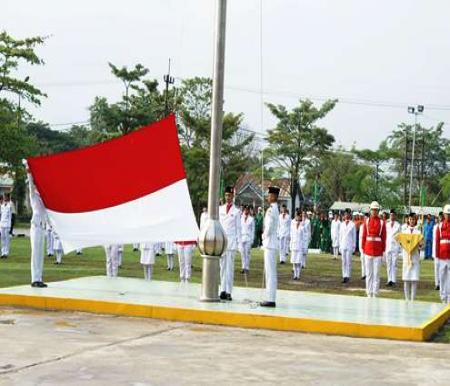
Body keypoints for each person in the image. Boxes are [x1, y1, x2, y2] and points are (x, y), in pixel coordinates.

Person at [218, 186, 241, 301]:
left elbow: (238, 229)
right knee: (222, 267)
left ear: (233, 196)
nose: (228, 197)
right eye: (226, 195)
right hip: (222, 242)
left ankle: (228, 291)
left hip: (231, 243)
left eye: (230, 195)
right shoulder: (220, 209)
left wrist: (239, 245)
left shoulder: (236, 211)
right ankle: (222, 289)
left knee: (229, 268)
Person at [361, 201, 386, 298]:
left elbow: (384, 237)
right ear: (370, 210)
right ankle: (368, 292)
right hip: (368, 250)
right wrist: (363, 249)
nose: (374, 211)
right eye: (373, 210)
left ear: (378, 211)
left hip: (378, 251)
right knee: (369, 274)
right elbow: (363, 236)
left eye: (376, 210)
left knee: (376, 274)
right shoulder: (366, 221)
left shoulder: (382, 222)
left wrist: (383, 251)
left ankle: (375, 293)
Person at [260, 186, 280, 308]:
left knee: (270, 273)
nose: (268, 197)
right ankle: (270, 297)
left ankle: (271, 299)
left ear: (274, 197)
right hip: (272, 244)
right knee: (270, 272)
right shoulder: (274, 209)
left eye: (269, 195)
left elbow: (269, 227)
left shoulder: (271, 210)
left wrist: (263, 236)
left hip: (270, 243)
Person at [27, 172, 48, 287]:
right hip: (35, 227)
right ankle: (34, 279)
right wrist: (29, 173)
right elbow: (30, 185)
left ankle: (39, 278)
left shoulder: (44, 198)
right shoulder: (33, 195)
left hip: (42, 228)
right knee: (35, 253)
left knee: (40, 254)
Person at [400, 213, 422, 301]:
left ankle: (413, 299)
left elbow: (421, 245)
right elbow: (401, 243)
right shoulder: (404, 232)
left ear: (415, 220)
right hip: (406, 256)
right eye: (410, 219)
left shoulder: (418, 232)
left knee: (414, 279)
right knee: (406, 278)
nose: (412, 221)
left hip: (415, 257)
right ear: (408, 220)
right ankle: (407, 298)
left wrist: (419, 243)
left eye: (413, 219)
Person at [435, 204, 450, 304]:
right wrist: (437, 255)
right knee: (442, 276)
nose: (448, 216)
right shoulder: (439, 226)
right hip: (441, 255)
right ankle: (442, 297)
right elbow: (437, 242)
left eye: (449, 214)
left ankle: (448, 298)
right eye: (447, 214)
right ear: (443, 214)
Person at [339, 209, 356, 284]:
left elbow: (354, 236)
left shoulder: (352, 224)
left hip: (349, 244)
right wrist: (340, 245)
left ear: (350, 215)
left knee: (348, 261)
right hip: (343, 244)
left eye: (348, 214)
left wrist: (354, 246)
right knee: (343, 261)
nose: (346, 215)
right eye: (345, 214)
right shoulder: (342, 224)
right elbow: (340, 235)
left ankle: (348, 276)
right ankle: (344, 276)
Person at [385, 209, 401, 287]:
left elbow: (400, 237)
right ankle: (389, 280)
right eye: (391, 215)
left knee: (394, 263)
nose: (392, 216)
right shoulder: (387, 224)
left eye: (393, 215)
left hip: (395, 246)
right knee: (388, 263)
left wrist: (399, 248)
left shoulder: (398, 225)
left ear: (395, 216)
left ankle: (393, 280)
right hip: (388, 246)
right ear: (389, 215)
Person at [290, 209, 304, 280]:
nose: (297, 218)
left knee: (298, 261)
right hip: (294, 244)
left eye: (298, 217)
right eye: (296, 216)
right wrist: (290, 245)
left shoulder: (302, 226)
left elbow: (303, 237)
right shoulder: (293, 225)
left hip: (300, 245)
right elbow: (291, 235)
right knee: (294, 261)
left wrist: (303, 247)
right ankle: (295, 275)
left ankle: (298, 275)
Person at [239, 205, 254, 274]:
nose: (246, 211)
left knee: (247, 253)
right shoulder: (241, 218)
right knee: (242, 253)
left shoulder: (251, 219)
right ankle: (243, 267)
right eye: (245, 209)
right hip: (242, 237)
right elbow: (239, 229)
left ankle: (247, 268)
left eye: (247, 210)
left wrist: (252, 239)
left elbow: (253, 230)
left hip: (248, 237)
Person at [432, 212, 443, 290]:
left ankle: (442, 283)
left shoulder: (445, 226)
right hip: (436, 249)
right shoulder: (435, 227)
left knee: (442, 268)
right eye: (440, 217)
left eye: (442, 217)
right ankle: (437, 283)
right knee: (436, 267)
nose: (441, 218)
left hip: (443, 250)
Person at [0, 194, 12, 258]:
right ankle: (2, 253)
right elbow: (1, 216)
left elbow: (10, 217)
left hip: (7, 225)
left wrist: (9, 226)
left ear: (8, 198)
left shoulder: (9, 206)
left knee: (7, 239)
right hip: (2, 224)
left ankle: (6, 253)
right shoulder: (2, 206)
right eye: (4, 197)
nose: (4, 198)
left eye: (5, 197)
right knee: (2, 239)